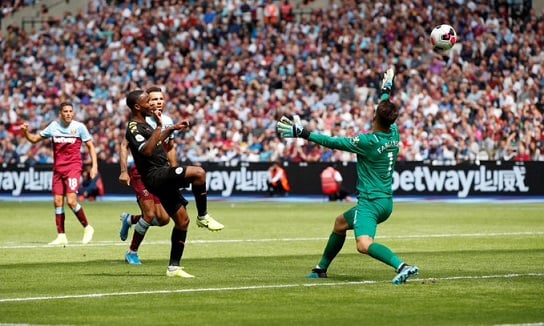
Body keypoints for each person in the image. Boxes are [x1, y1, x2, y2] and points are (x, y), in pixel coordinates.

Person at [276, 67, 419, 285]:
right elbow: (385, 108)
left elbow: (333, 142)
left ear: (374, 116)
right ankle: (320, 268)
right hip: (386, 202)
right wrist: (386, 89)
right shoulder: (394, 132)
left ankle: (402, 266)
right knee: (340, 223)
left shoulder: (367, 142)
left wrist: (302, 133)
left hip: (370, 203)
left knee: (363, 244)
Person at [119, 86, 224, 266]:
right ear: (138, 107)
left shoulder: (149, 123)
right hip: (153, 175)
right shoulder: (134, 127)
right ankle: (203, 216)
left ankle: (174, 267)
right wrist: (123, 170)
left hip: (163, 172)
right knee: (198, 173)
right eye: (148, 101)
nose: (152, 104)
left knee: (177, 221)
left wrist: (171, 129)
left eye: (157, 100)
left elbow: (158, 141)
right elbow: (146, 150)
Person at [20, 102, 97, 246]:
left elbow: (91, 146)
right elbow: (34, 139)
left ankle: (87, 227)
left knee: (72, 201)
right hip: (58, 170)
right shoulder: (53, 127)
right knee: (57, 202)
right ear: (60, 113)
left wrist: (94, 167)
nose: (68, 113)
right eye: (65, 111)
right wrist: (25, 132)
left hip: (73, 168)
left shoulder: (79, 127)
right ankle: (61, 236)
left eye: (70, 111)